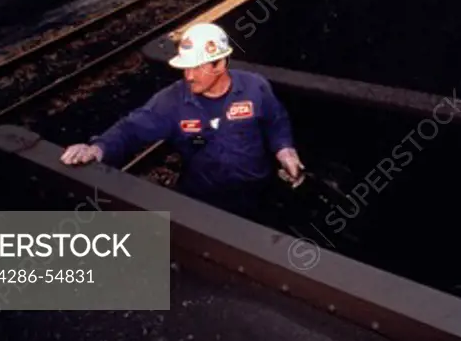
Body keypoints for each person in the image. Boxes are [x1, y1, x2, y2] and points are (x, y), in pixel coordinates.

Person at [60, 22, 304, 214]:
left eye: (197, 67)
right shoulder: (172, 101)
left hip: (258, 193)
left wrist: (285, 151)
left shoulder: (255, 88)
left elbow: (276, 121)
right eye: (186, 67)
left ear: (220, 64)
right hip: (203, 202)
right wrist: (98, 149)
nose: (189, 76)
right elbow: (130, 130)